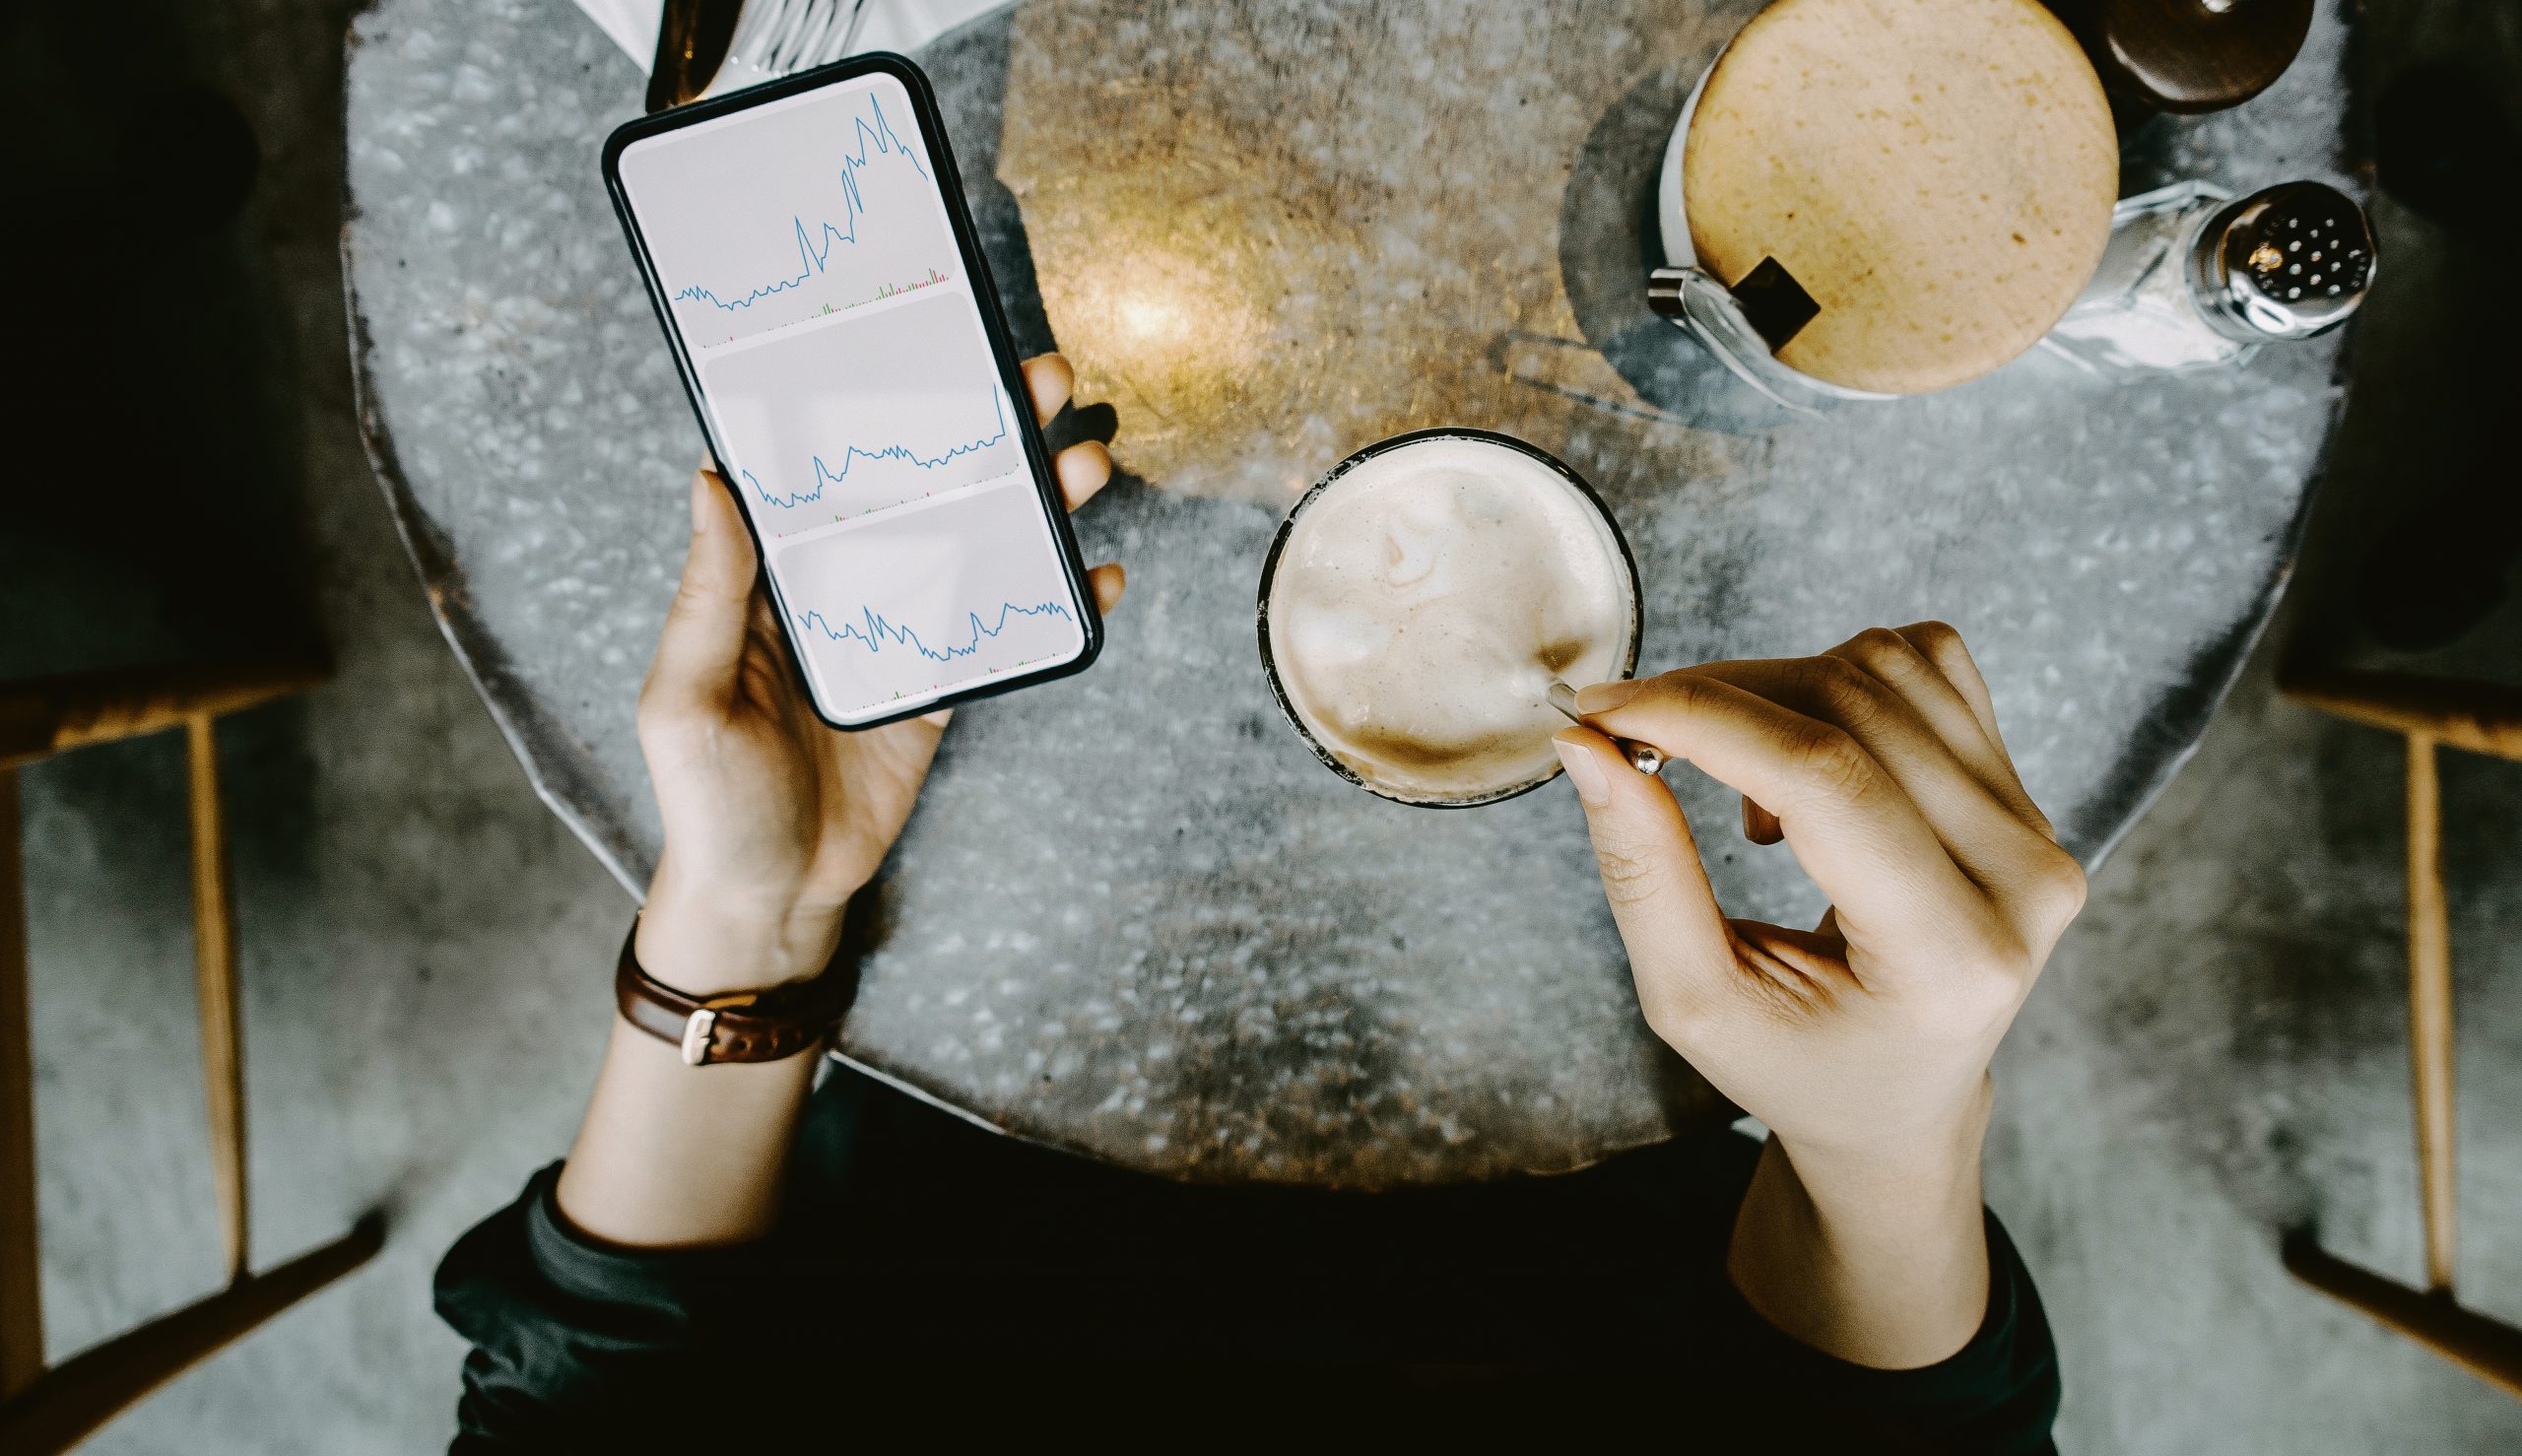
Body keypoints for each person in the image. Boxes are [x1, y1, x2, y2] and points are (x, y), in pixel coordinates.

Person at [436, 356, 2083, 1449]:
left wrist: (748, 911)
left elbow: (587, 1409)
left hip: (924, 1195)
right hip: (1618, 1235)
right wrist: (1889, 1143)